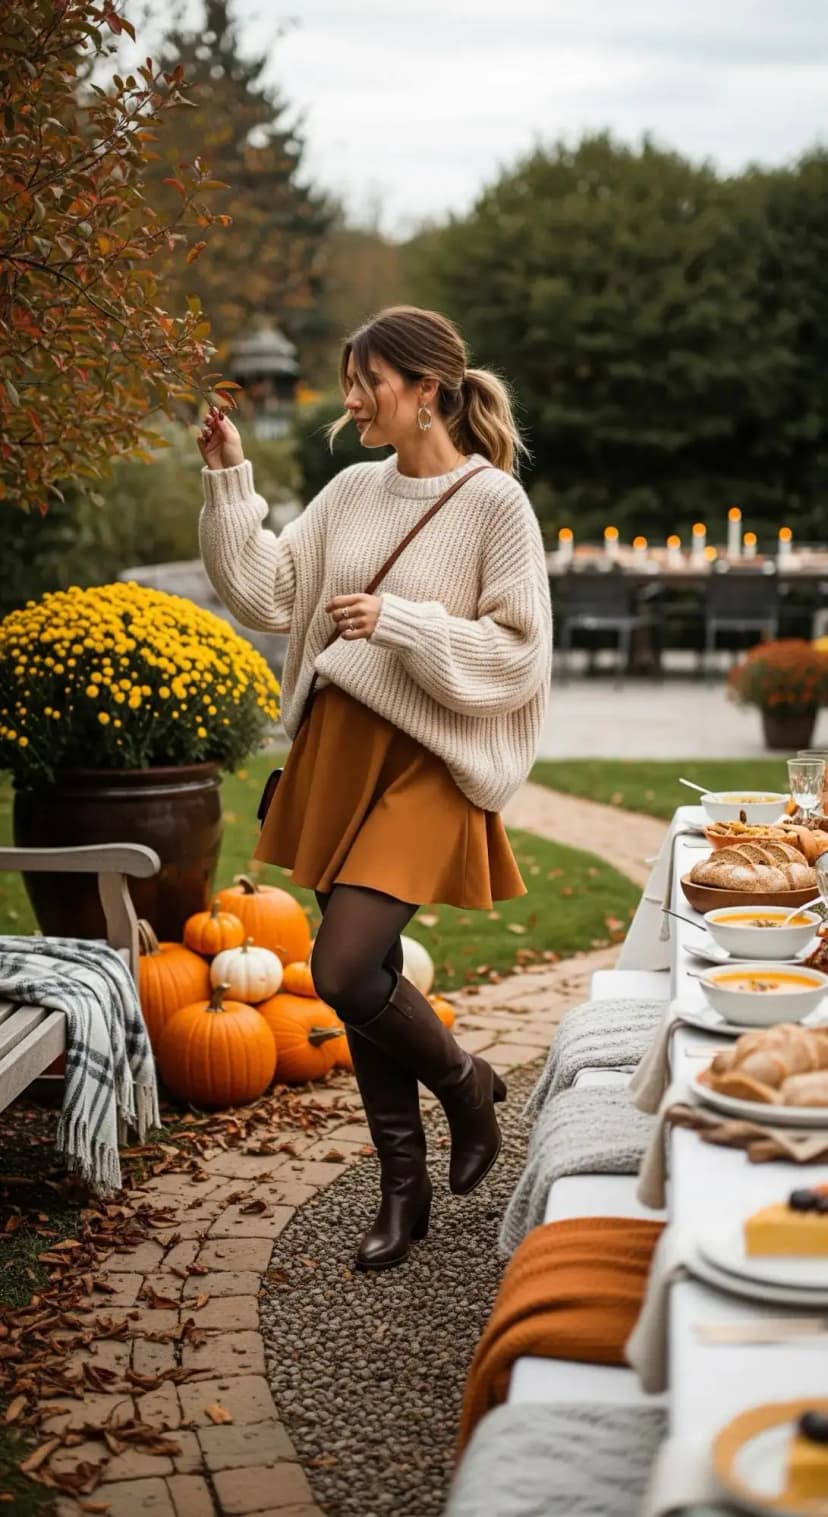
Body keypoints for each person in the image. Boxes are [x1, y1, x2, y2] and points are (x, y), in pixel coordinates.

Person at [197, 304, 553, 1271]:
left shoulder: (494, 505)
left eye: (369, 382)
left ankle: (466, 1083)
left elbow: (518, 655)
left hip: (427, 762)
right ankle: (406, 1188)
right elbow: (271, 594)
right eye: (350, 380)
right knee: (367, 985)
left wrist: (401, 622)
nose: (350, 399)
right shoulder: (352, 490)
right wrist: (230, 477)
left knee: (347, 970)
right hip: (337, 752)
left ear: (426, 388)